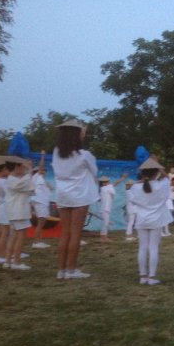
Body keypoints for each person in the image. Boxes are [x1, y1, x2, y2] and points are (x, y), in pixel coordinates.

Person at [51, 119, 99, 279]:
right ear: (77, 135)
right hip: (79, 197)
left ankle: (61, 270)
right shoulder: (85, 155)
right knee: (76, 233)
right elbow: (95, 173)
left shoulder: (56, 152)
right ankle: (71, 270)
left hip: (62, 196)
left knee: (65, 233)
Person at [129, 158, 172, 285]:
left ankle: (142, 277)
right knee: (153, 248)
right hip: (156, 220)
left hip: (141, 220)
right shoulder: (161, 185)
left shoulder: (135, 187)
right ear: (156, 172)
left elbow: (132, 200)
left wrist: (140, 181)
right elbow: (167, 178)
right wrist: (160, 167)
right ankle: (152, 277)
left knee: (142, 248)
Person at [4, 156, 35, 270]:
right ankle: (16, 262)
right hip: (18, 212)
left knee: (13, 236)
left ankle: (8, 261)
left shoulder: (14, 179)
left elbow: (30, 189)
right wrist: (29, 170)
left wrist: (27, 171)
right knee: (20, 237)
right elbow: (26, 185)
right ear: (16, 167)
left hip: (16, 212)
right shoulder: (13, 180)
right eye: (22, 167)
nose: (24, 170)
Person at [31, 151, 54, 249]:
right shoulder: (37, 176)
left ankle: (39, 241)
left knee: (42, 222)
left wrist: (48, 186)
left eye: (45, 170)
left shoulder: (41, 180)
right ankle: (36, 242)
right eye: (43, 170)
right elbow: (41, 166)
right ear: (37, 171)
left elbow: (50, 189)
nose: (44, 171)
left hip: (43, 202)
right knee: (41, 222)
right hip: (40, 202)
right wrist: (43, 156)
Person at [98, 173, 128, 241]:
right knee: (105, 224)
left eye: (107, 181)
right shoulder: (105, 188)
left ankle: (103, 237)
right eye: (106, 182)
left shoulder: (103, 188)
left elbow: (114, 184)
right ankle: (103, 237)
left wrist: (122, 178)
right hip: (105, 209)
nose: (108, 182)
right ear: (102, 183)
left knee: (105, 223)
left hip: (105, 209)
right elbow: (115, 183)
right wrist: (123, 178)